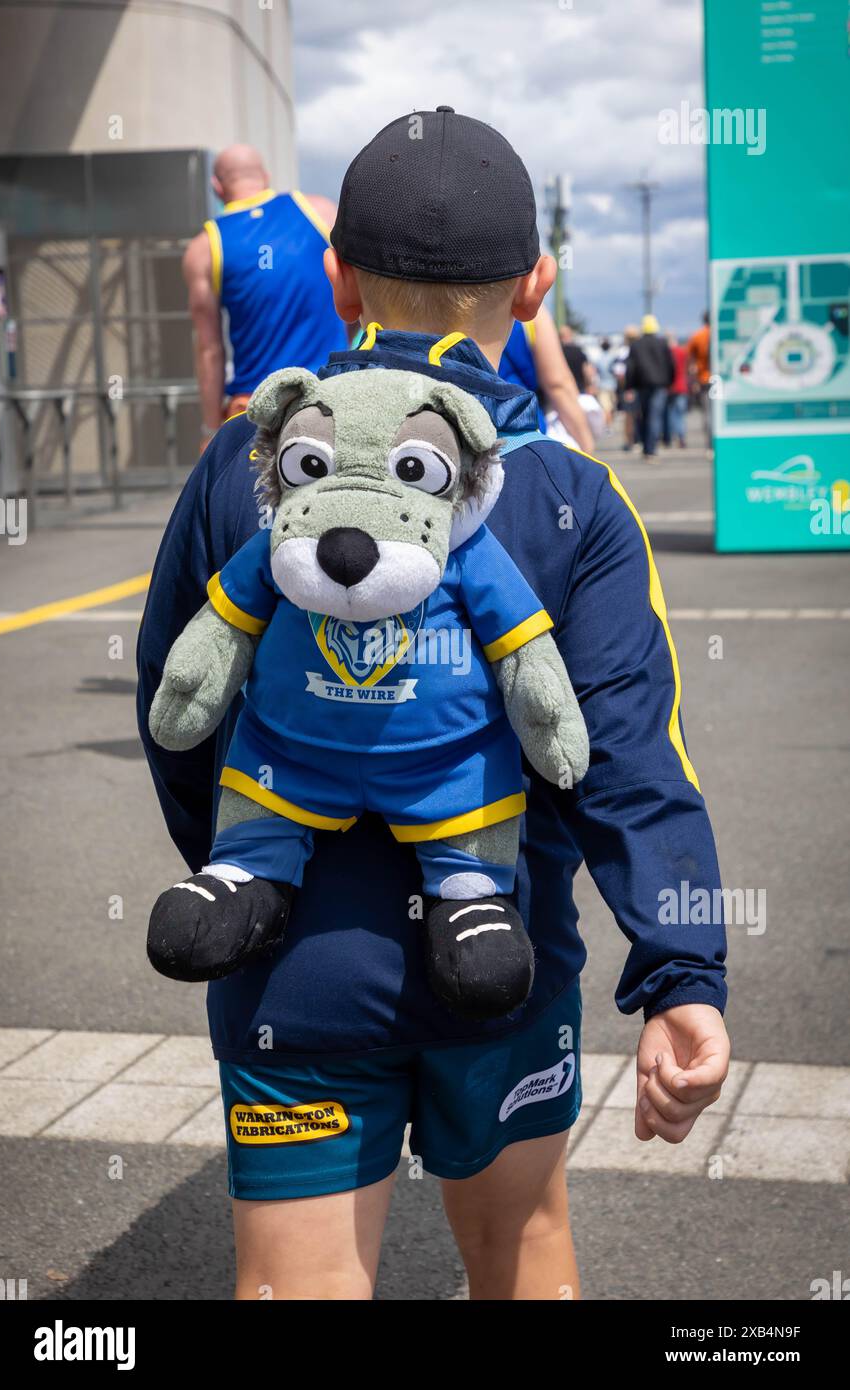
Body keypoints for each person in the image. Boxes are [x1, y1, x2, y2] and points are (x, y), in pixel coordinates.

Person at [138, 107, 729, 1301]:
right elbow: (622, 750)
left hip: (292, 969)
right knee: (522, 1258)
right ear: (536, 286)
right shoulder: (573, 497)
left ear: (337, 272)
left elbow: (178, 707)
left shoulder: (243, 468)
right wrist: (682, 971)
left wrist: (250, 871)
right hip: (501, 953)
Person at [182, 144, 347, 452]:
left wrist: (209, 428)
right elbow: (355, 293)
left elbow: (209, 349)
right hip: (330, 399)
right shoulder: (320, 212)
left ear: (216, 187)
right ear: (266, 177)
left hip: (257, 415)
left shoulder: (203, 249)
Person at [498, 307, 595, 453]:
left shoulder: (455, 301)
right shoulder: (530, 313)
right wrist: (586, 445)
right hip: (521, 433)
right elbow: (557, 384)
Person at [624, 314, 675, 460]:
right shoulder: (662, 343)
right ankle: (652, 448)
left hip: (642, 385)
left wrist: (629, 386)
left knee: (645, 416)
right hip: (660, 385)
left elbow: (630, 367)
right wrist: (669, 382)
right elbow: (670, 365)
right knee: (655, 416)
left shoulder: (636, 345)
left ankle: (647, 447)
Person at [687, 310, 712, 442]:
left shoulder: (698, 336)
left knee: (708, 413)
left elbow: (689, 359)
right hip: (722, 379)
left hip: (704, 379)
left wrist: (693, 380)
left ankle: (710, 444)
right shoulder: (720, 334)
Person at [664, 333, 689, 447]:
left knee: (670, 413)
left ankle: (670, 437)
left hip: (670, 387)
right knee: (680, 413)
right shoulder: (682, 352)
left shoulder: (667, 353)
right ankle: (681, 436)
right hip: (682, 385)